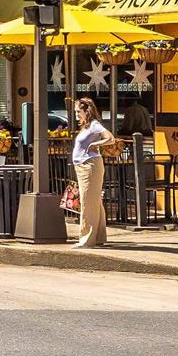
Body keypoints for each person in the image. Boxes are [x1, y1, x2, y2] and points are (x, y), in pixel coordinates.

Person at [70, 97, 116, 249]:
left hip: (90, 166)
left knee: (88, 202)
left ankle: (86, 240)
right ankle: (99, 237)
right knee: (94, 202)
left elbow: (110, 138)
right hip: (83, 166)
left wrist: (96, 143)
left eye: (78, 111)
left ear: (86, 111)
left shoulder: (95, 125)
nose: (76, 114)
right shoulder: (87, 126)